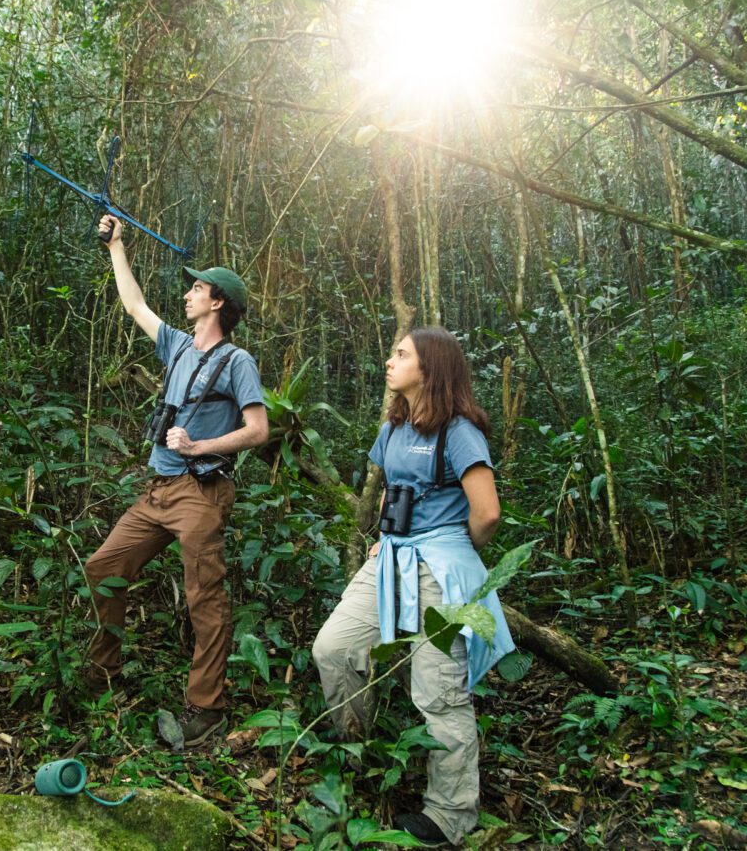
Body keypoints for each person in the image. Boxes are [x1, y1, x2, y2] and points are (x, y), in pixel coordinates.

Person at [312, 327, 515, 846]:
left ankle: (450, 814)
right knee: (333, 647)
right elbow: (389, 492)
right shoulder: (395, 426)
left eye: (401, 354)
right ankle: (361, 751)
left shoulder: (460, 430)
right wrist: (386, 534)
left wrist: (447, 544)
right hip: (391, 556)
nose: (389, 360)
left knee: (439, 692)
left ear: (432, 367)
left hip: (439, 566)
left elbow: (487, 513)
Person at [82, 213, 269, 746]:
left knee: (203, 599)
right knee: (104, 567)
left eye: (197, 288)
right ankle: (104, 673)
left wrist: (199, 445)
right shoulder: (179, 346)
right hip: (157, 491)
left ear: (218, 304)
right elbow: (135, 305)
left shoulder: (238, 362)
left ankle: (207, 709)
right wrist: (116, 246)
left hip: (200, 492)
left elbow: (258, 430)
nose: (187, 293)